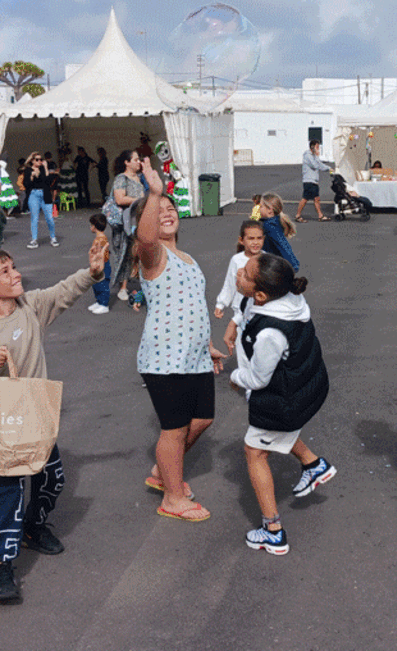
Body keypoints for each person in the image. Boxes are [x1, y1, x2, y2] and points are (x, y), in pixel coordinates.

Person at [0, 243, 106, 602]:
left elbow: (63, 292)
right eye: (5, 271)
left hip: (37, 417)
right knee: (13, 490)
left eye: (14, 266)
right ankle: (1, 565)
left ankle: (33, 528)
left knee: (53, 479)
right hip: (4, 424)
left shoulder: (29, 307)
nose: (16, 273)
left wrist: (93, 272)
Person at [132, 159, 227, 523]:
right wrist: (154, 193)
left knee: (202, 419)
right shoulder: (153, 256)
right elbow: (144, 238)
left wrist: (208, 345)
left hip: (194, 356)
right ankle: (172, 495)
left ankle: (162, 471)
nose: (167, 213)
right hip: (164, 358)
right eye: (159, 210)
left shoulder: (187, 258)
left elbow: (194, 310)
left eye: (171, 208)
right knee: (174, 429)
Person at [229, 253, 336, 555]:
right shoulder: (290, 300)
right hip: (307, 387)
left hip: (286, 400)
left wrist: (236, 376)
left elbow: (259, 378)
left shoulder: (270, 332)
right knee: (278, 435)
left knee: (255, 450)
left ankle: (272, 530)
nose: (239, 272)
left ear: (260, 295)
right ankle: (314, 465)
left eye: (246, 274)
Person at [215, 219, 266, 352]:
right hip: (240, 313)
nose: (255, 242)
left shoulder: (266, 259)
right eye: (251, 238)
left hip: (261, 312)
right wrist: (221, 303)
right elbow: (230, 284)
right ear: (241, 240)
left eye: (259, 238)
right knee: (243, 348)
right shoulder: (236, 260)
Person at [108, 150, 147, 303]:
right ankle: (122, 287)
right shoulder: (121, 179)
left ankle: (138, 282)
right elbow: (119, 199)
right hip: (125, 222)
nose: (139, 162)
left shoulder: (138, 178)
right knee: (124, 253)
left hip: (137, 221)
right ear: (127, 162)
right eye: (136, 159)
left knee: (136, 253)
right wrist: (139, 199)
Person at [21, 152, 59, 249]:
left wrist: (45, 168)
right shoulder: (28, 170)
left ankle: (53, 237)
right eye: (37, 159)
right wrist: (32, 176)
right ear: (32, 161)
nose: (40, 161)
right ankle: (34, 240)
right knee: (34, 218)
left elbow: (48, 181)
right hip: (34, 194)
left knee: (49, 218)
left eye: (41, 159)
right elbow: (26, 184)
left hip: (45, 194)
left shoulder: (42, 168)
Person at [256, 192, 299, 271]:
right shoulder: (274, 222)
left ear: (270, 209)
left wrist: (293, 265)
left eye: (261, 206)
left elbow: (283, 245)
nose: (259, 208)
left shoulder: (270, 227)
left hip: (272, 269)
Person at [297, 140, 331, 222]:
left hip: (314, 181)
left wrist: (329, 169)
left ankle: (320, 215)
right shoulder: (308, 156)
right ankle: (299, 215)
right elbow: (315, 165)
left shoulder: (314, 156)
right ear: (312, 147)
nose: (318, 148)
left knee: (313, 198)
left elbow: (320, 164)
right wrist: (316, 156)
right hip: (309, 181)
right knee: (308, 199)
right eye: (317, 147)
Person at [87, 213, 111, 315]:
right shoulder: (100, 237)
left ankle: (104, 304)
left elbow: (101, 253)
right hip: (99, 263)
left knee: (102, 283)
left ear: (94, 226)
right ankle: (99, 301)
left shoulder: (100, 239)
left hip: (103, 264)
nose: (90, 227)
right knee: (96, 283)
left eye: (91, 224)